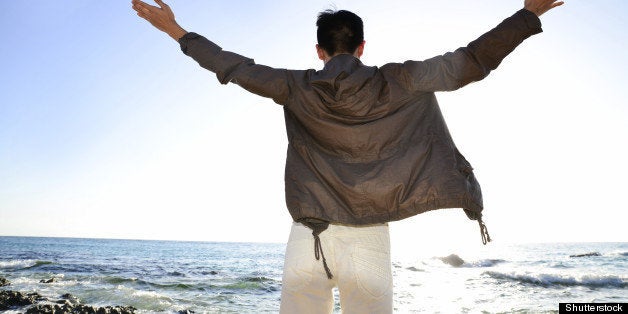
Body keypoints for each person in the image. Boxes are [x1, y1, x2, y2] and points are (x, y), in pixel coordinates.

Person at [131, 0, 563, 313]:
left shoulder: (294, 86)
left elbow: (232, 66)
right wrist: (527, 16)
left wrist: (175, 30)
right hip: (369, 239)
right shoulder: (404, 80)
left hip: (309, 238)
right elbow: (471, 61)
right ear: (361, 47)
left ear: (320, 51)